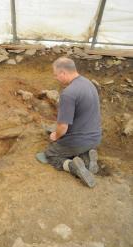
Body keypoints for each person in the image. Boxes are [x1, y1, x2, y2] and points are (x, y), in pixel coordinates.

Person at [36, 57, 102, 188]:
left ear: (63, 73)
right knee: (75, 145)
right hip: (96, 137)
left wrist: (55, 136)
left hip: (79, 140)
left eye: (56, 75)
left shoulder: (68, 94)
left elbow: (63, 127)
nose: (56, 78)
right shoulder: (88, 83)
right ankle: (87, 158)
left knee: (51, 154)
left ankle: (73, 167)